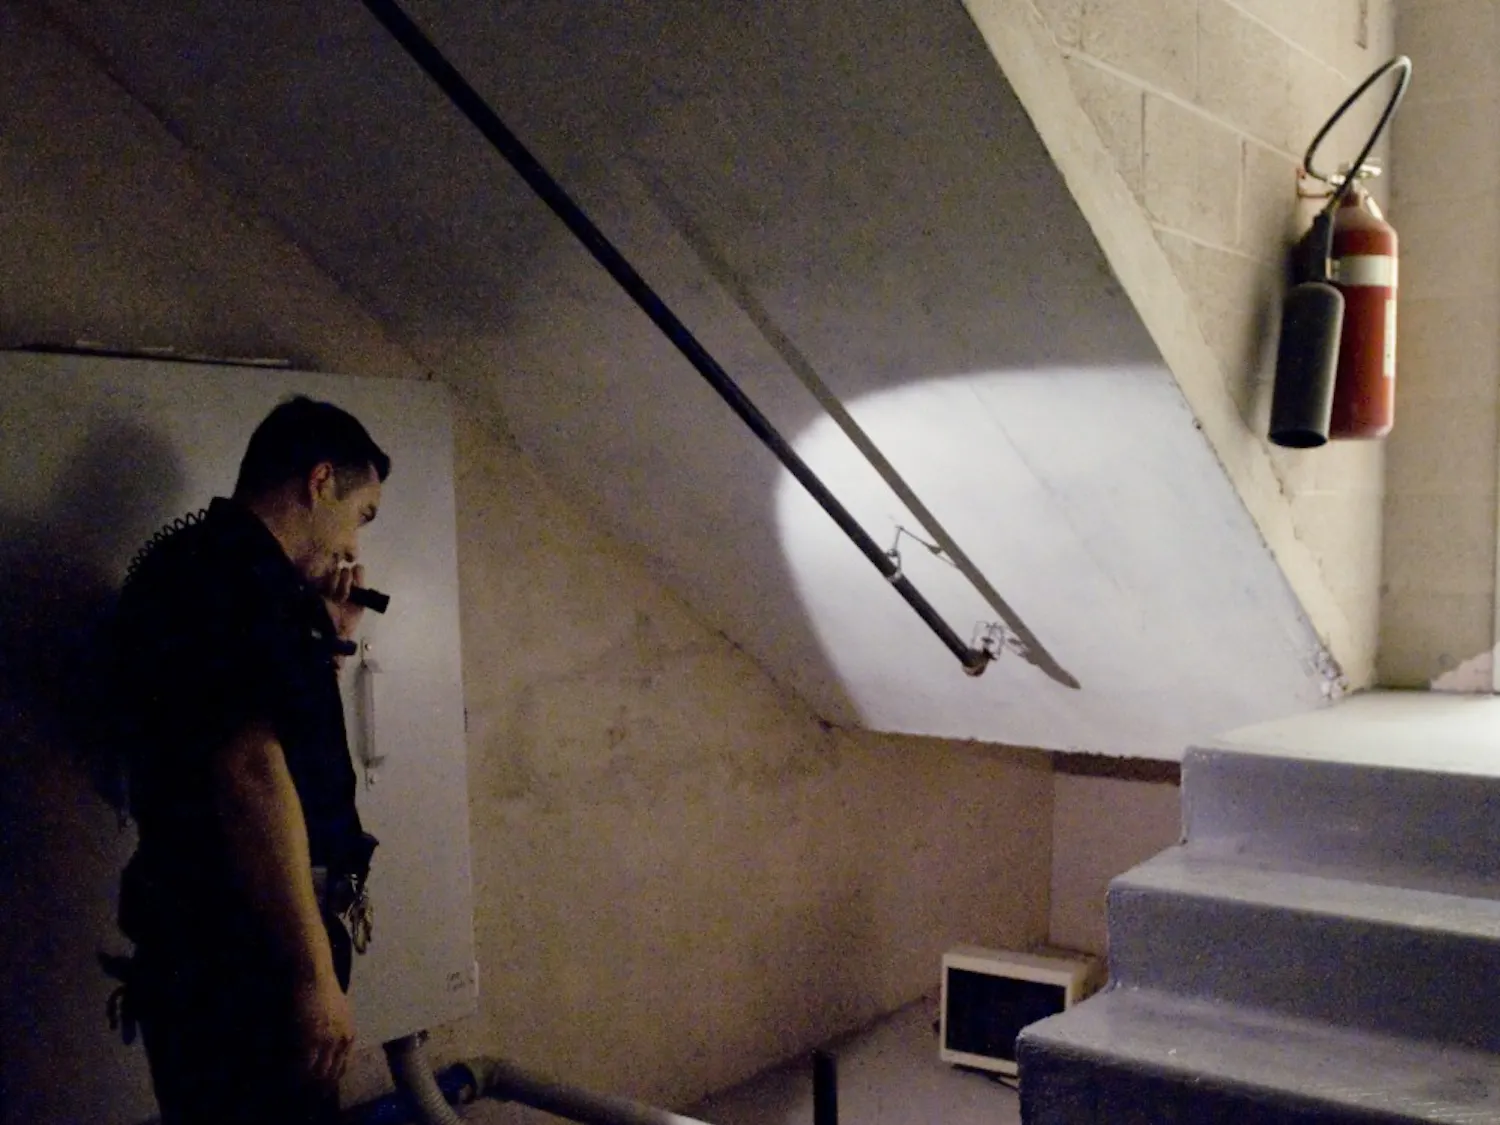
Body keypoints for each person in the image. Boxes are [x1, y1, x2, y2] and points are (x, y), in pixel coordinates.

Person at [108, 396, 390, 1125]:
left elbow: (277, 721)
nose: (352, 546)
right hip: (246, 952)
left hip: (204, 939)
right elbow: (250, 775)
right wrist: (312, 975)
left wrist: (331, 635)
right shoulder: (238, 585)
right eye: (361, 513)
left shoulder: (198, 569)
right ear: (320, 479)